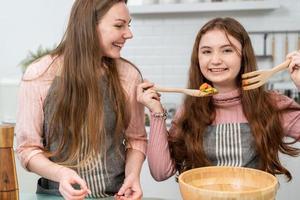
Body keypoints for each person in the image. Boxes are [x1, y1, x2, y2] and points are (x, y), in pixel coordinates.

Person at [137, 17, 300, 182]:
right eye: (207, 51)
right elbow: (160, 173)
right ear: (198, 58)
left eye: (227, 50)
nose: (215, 60)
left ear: (243, 55)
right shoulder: (188, 111)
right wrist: (156, 112)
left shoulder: (271, 104)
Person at [16, 0, 147, 199]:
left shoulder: (128, 75)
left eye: (129, 25)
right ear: (88, 25)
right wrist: (61, 174)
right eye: (119, 25)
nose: (128, 34)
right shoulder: (40, 74)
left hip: (114, 195)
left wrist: (132, 175)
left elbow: (136, 139)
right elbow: (28, 149)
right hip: (55, 195)